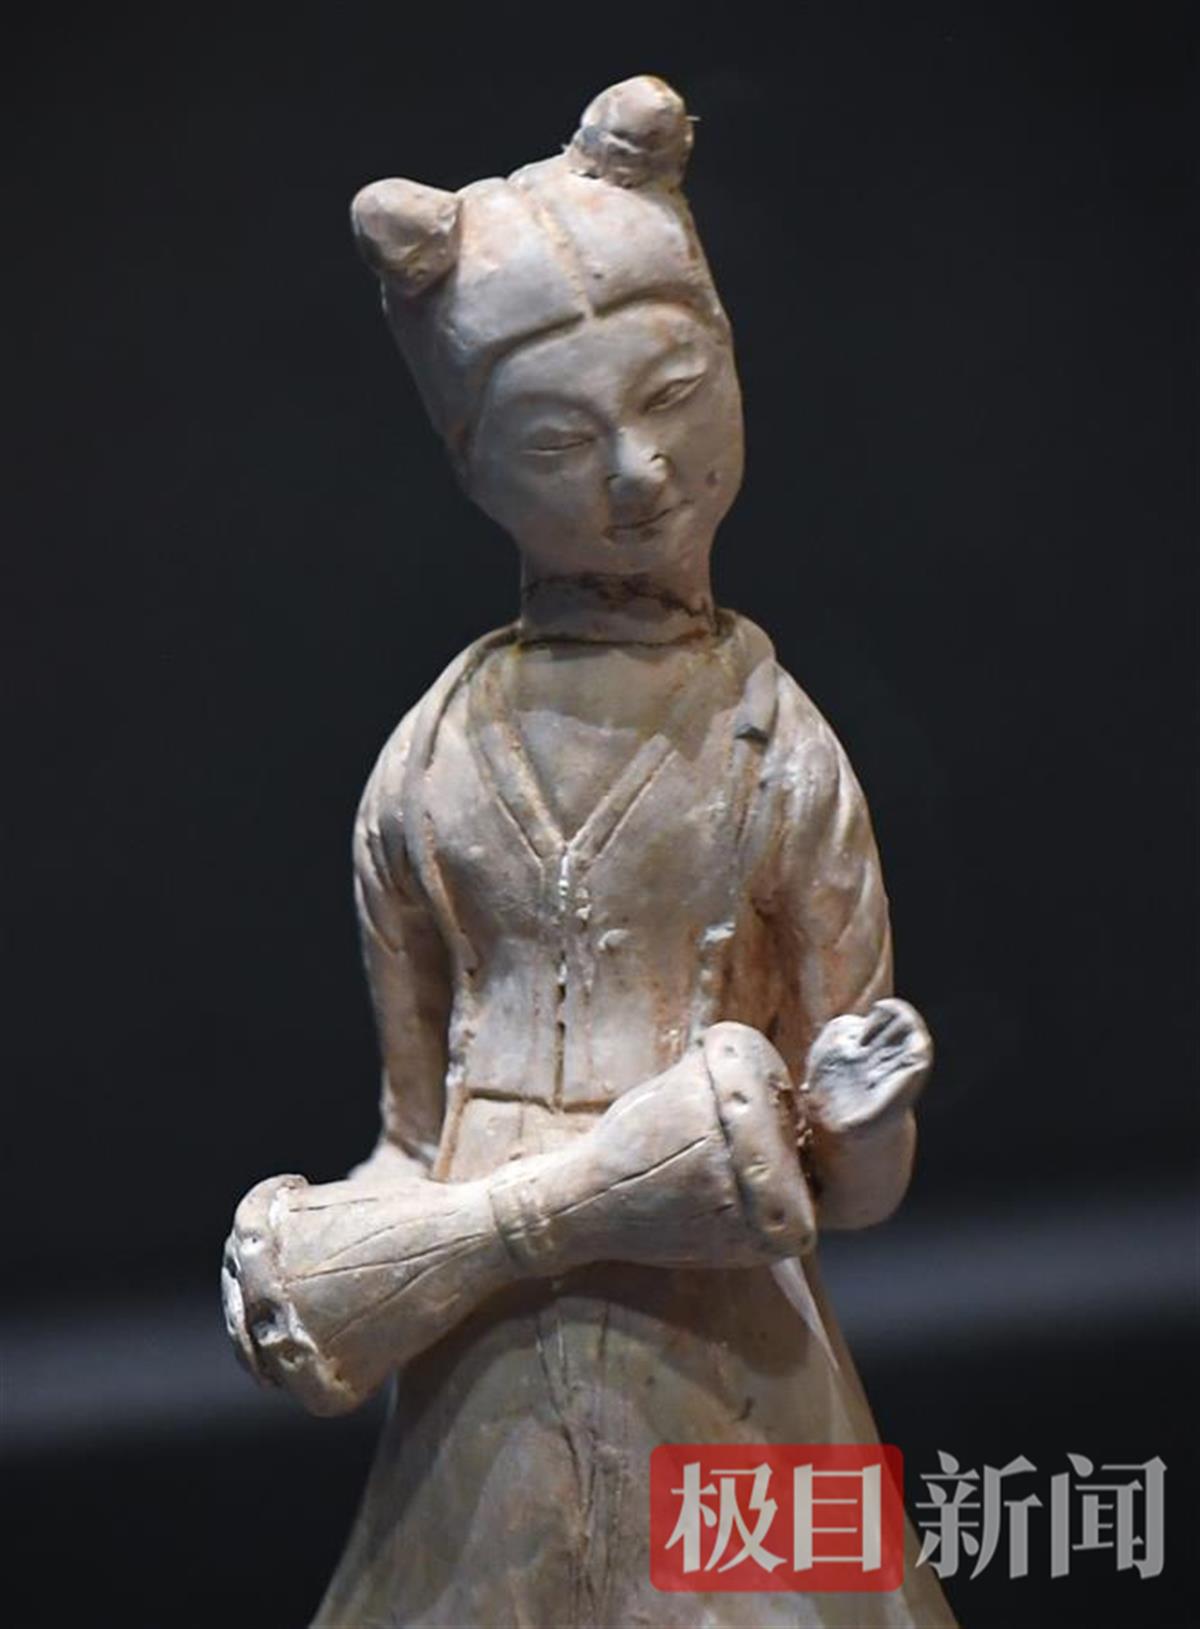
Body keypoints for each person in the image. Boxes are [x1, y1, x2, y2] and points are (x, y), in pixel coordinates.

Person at [226, 76, 958, 1628]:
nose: (637, 470)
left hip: (731, 1337)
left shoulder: (776, 748)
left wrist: (862, 1114)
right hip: (484, 1346)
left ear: (731, 371)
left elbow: (846, 1188)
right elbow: (409, 1138)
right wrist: (321, 1256)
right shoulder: (428, 767)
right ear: (470, 457)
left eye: (675, 394)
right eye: (560, 436)